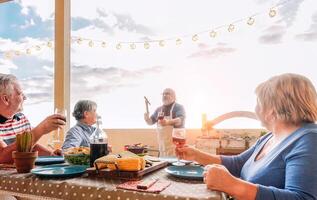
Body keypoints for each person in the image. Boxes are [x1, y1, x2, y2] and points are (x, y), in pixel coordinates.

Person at [176, 73, 317, 200]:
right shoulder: (269, 137)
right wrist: (196, 155)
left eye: (259, 103)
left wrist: (232, 185)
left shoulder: (309, 140)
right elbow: (238, 163)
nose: (255, 108)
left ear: (272, 110)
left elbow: (302, 198)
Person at [0, 73, 66, 164]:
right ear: (6, 99)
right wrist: (41, 129)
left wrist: (51, 155)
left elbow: (30, 146)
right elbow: (2, 158)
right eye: (20, 93)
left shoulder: (21, 118)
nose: (25, 97)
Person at [144, 88, 186, 156]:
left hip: (175, 146)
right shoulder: (159, 109)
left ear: (173, 96)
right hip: (162, 146)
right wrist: (146, 118)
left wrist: (168, 122)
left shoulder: (179, 107)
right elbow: (150, 122)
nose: (164, 95)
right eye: (163, 94)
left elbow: (180, 119)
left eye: (167, 93)